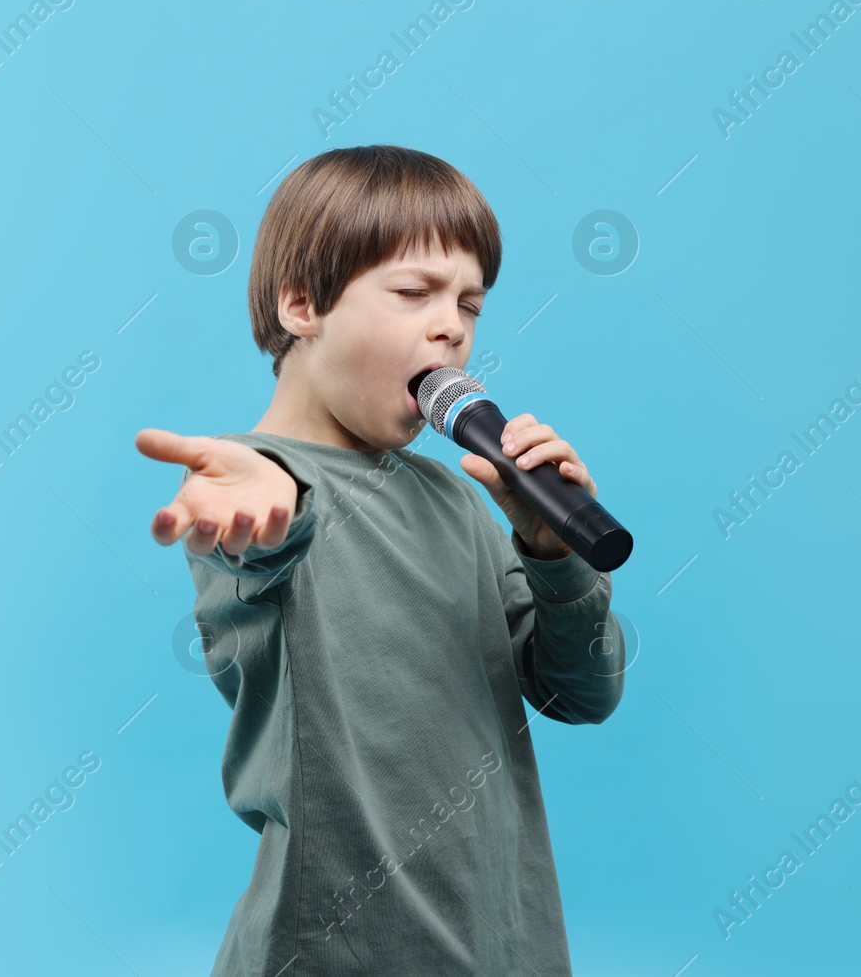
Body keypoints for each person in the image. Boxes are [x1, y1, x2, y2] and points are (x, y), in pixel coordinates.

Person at [135, 144, 625, 976]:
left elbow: (582, 691)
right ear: (301, 304)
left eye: (470, 303)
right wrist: (262, 505)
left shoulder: (454, 499)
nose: (452, 326)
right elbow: (266, 544)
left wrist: (552, 552)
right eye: (414, 293)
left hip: (502, 946)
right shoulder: (254, 489)